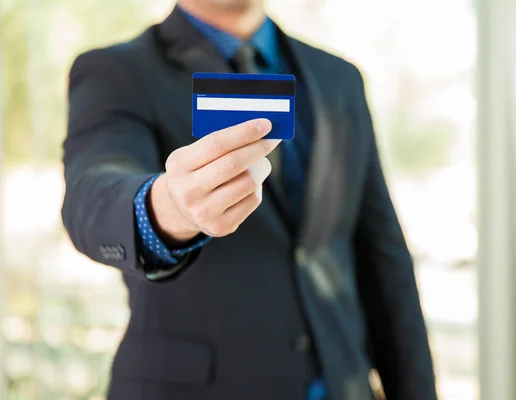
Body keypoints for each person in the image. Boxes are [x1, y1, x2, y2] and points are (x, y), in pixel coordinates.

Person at [61, 0, 437, 399]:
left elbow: (382, 257)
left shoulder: (339, 78)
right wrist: (167, 208)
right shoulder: (118, 72)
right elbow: (94, 191)